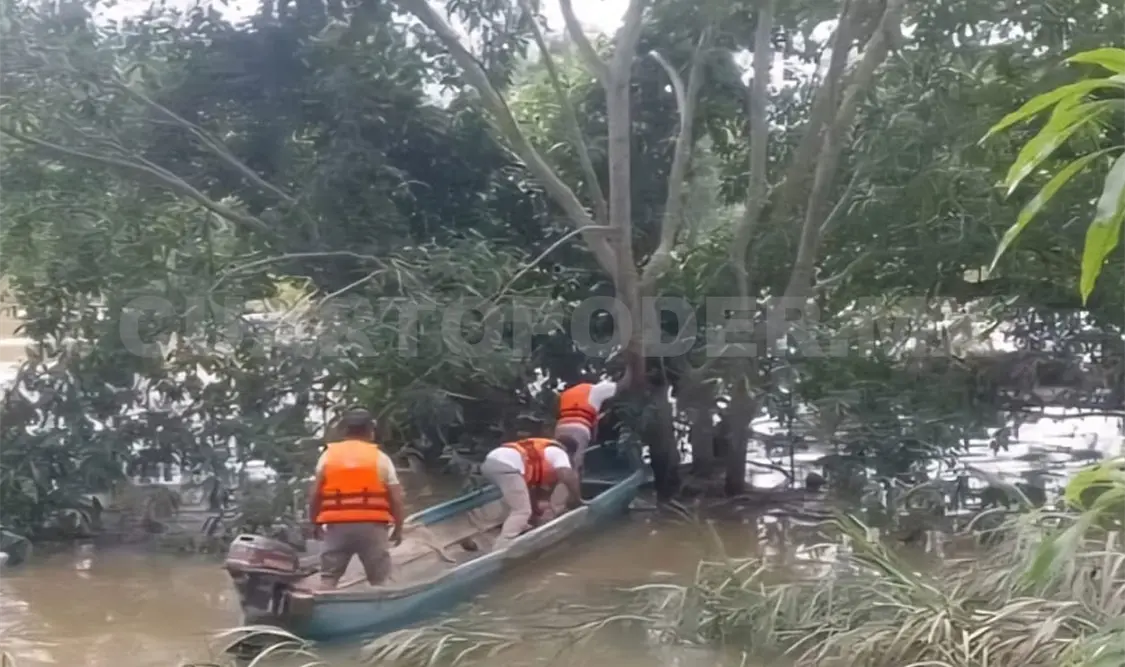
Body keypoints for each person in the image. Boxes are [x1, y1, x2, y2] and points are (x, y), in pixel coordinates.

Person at [309, 408, 406, 589]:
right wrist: (399, 528)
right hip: (373, 527)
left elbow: (315, 494)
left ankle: (323, 605)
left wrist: (314, 523)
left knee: (328, 578)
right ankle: (381, 610)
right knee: (380, 580)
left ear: (344, 430)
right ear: (371, 430)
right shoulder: (380, 458)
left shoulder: (327, 457)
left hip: (337, 527)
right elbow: (396, 498)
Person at [480, 433, 583, 551]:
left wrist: (536, 513)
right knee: (522, 511)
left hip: (490, 463)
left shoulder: (540, 452)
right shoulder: (559, 452)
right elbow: (567, 475)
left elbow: (530, 491)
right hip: (507, 467)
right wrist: (577, 498)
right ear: (569, 452)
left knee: (518, 500)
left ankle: (521, 526)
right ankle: (501, 547)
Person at [554, 368, 631, 474]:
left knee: (561, 460)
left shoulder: (567, 393)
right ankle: (573, 485)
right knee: (576, 463)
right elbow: (622, 386)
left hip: (560, 427)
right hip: (579, 428)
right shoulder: (595, 389)